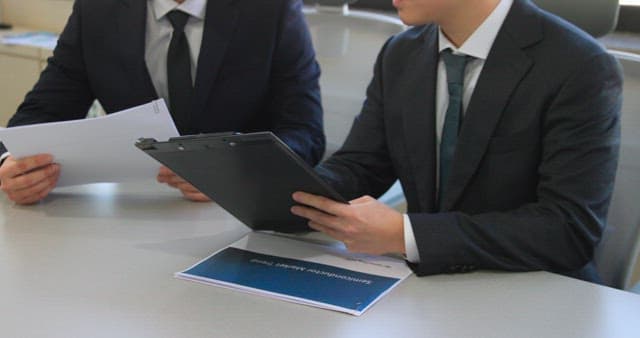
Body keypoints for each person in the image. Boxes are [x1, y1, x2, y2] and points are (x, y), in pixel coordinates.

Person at [291, 0, 622, 282]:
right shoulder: (401, 52)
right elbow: (363, 165)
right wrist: (286, 188)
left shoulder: (581, 66)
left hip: (539, 293)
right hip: (430, 290)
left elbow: (568, 229)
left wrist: (405, 235)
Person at [0, 0, 324, 204]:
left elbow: (305, 132)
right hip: (130, 211)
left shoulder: (272, 9)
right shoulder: (96, 9)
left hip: (238, 219)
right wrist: (10, 165)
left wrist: (240, 167)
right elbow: (38, 116)